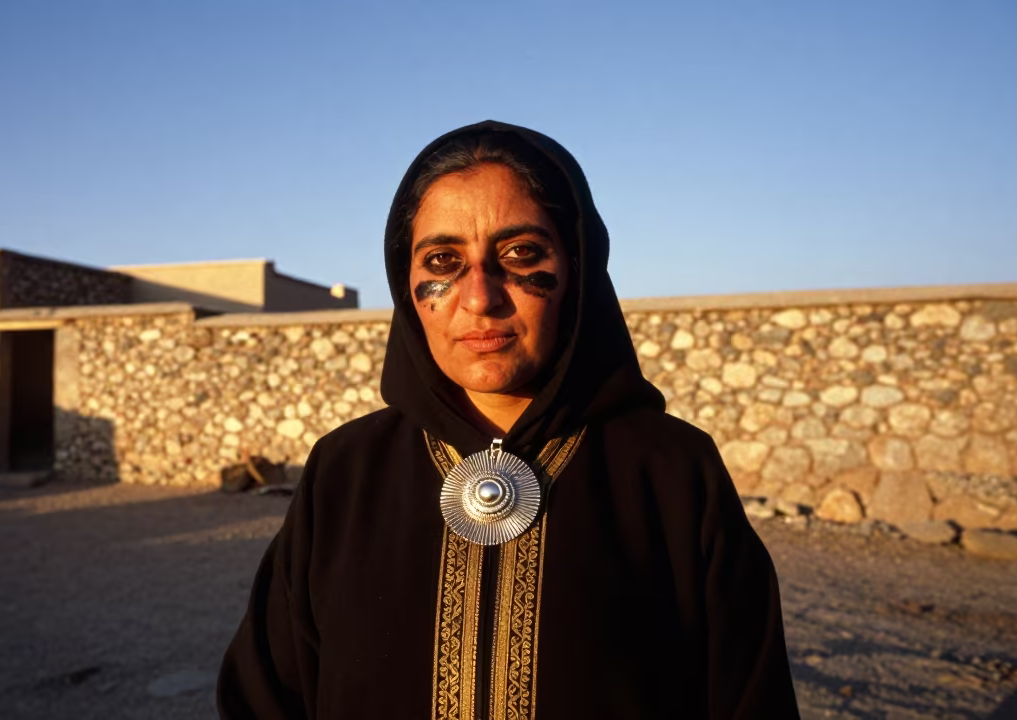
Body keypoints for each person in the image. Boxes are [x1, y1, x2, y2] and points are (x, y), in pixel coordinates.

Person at [217, 120, 800, 719]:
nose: (480, 297)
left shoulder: (673, 472)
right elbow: (265, 699)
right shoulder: (343, 473)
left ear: (577, 269)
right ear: (404, 281)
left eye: (521, 253)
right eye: (443, 260)